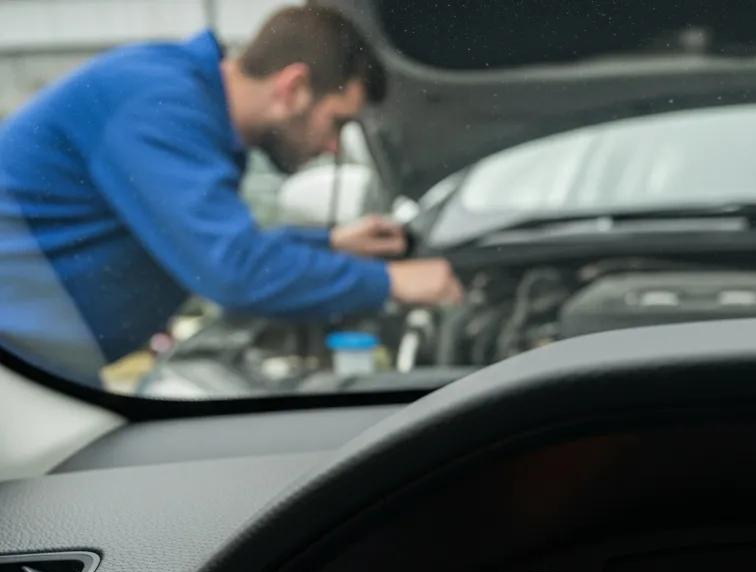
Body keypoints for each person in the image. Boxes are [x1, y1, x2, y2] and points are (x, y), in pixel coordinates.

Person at [0, 5, 463, 382]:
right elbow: (234, 272)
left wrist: (329, 244)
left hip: (38, 370)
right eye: (337, 122)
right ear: (293, 87)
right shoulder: (159, 101)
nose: (333, 146)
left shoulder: (186, 102)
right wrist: (393, 282)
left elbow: (218, 250)